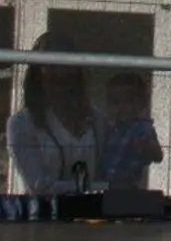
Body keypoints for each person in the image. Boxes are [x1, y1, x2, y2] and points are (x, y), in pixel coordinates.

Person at [7, 32, 105, 196]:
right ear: (37, 76)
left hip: (93, 217)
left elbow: (110, 171)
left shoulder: (97, 120)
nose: (59, 75)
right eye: (49, 68)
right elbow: (39, 186)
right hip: (45, 216)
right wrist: (99, 187)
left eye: (66, 68)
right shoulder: (22, 123)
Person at [101, 72, 164, 189]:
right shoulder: (111, 129)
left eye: (128, 101)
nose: (122, 107)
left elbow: (158, 156)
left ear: (141, 104)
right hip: (106, 184)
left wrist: (146, 146)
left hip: (129, 184)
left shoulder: (142, 129)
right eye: (115, 102)